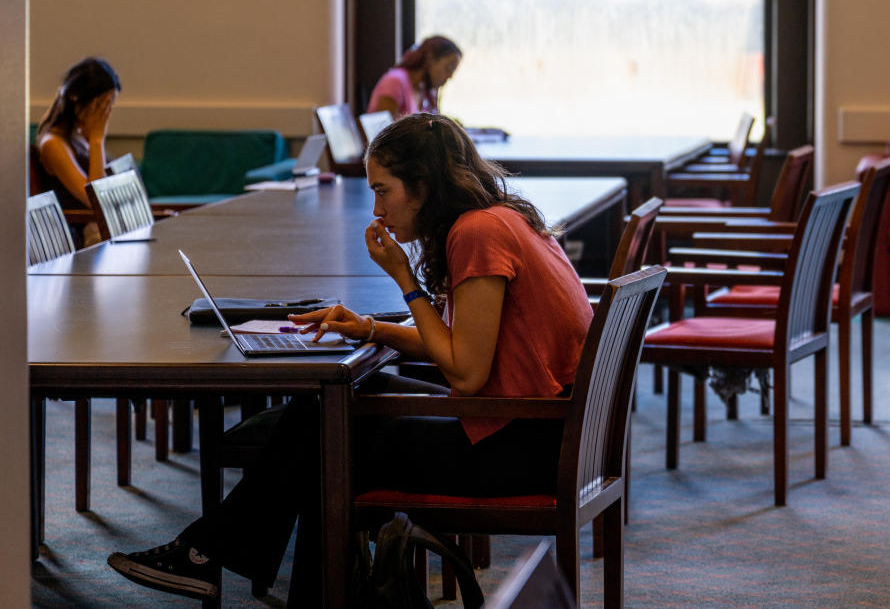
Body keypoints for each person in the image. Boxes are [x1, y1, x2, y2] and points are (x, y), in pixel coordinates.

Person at [107, 112, 593, 604]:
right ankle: (213, 558)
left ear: (422, 185)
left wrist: (406, 281)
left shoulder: (477, 233)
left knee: (328, 434)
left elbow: (466, 373)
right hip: (539, 427)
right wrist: (367, 328)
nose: (376, 208)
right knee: (329, 411)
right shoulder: (499, 217)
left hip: (520, 446)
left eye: (383, 191)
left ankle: (206, 555)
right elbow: (463, 346)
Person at [34, 56, 122, 246]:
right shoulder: (53, 144)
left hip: (105, 229)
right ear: (78, 100)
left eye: (110, 105)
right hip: (85, 238)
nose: (106, 113)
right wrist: (97, 140)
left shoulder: (80, 136)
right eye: (101, 106)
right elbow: (96, 200)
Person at [366, 35, 462, 118]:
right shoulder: (395, 81)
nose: (450, 76)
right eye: (448, 68)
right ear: (430, 59)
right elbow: (384, 134)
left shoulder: (424, 90)